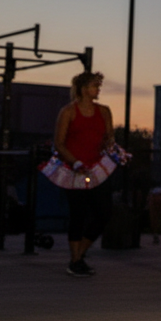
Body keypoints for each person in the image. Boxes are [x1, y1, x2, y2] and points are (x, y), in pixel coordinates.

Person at [52, 71, 115, 277]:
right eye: (94, 86)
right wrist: (75, 161)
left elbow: (109, 138)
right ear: (83, 89)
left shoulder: (104, 111)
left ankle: (79, 254)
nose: (98, 89)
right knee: (78, 214)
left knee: (104, 212)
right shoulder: (68, 111)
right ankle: (76, 260)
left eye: (98, 86)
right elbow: (59, 143)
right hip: (74, 169)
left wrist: (110, 148)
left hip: (97, 170)